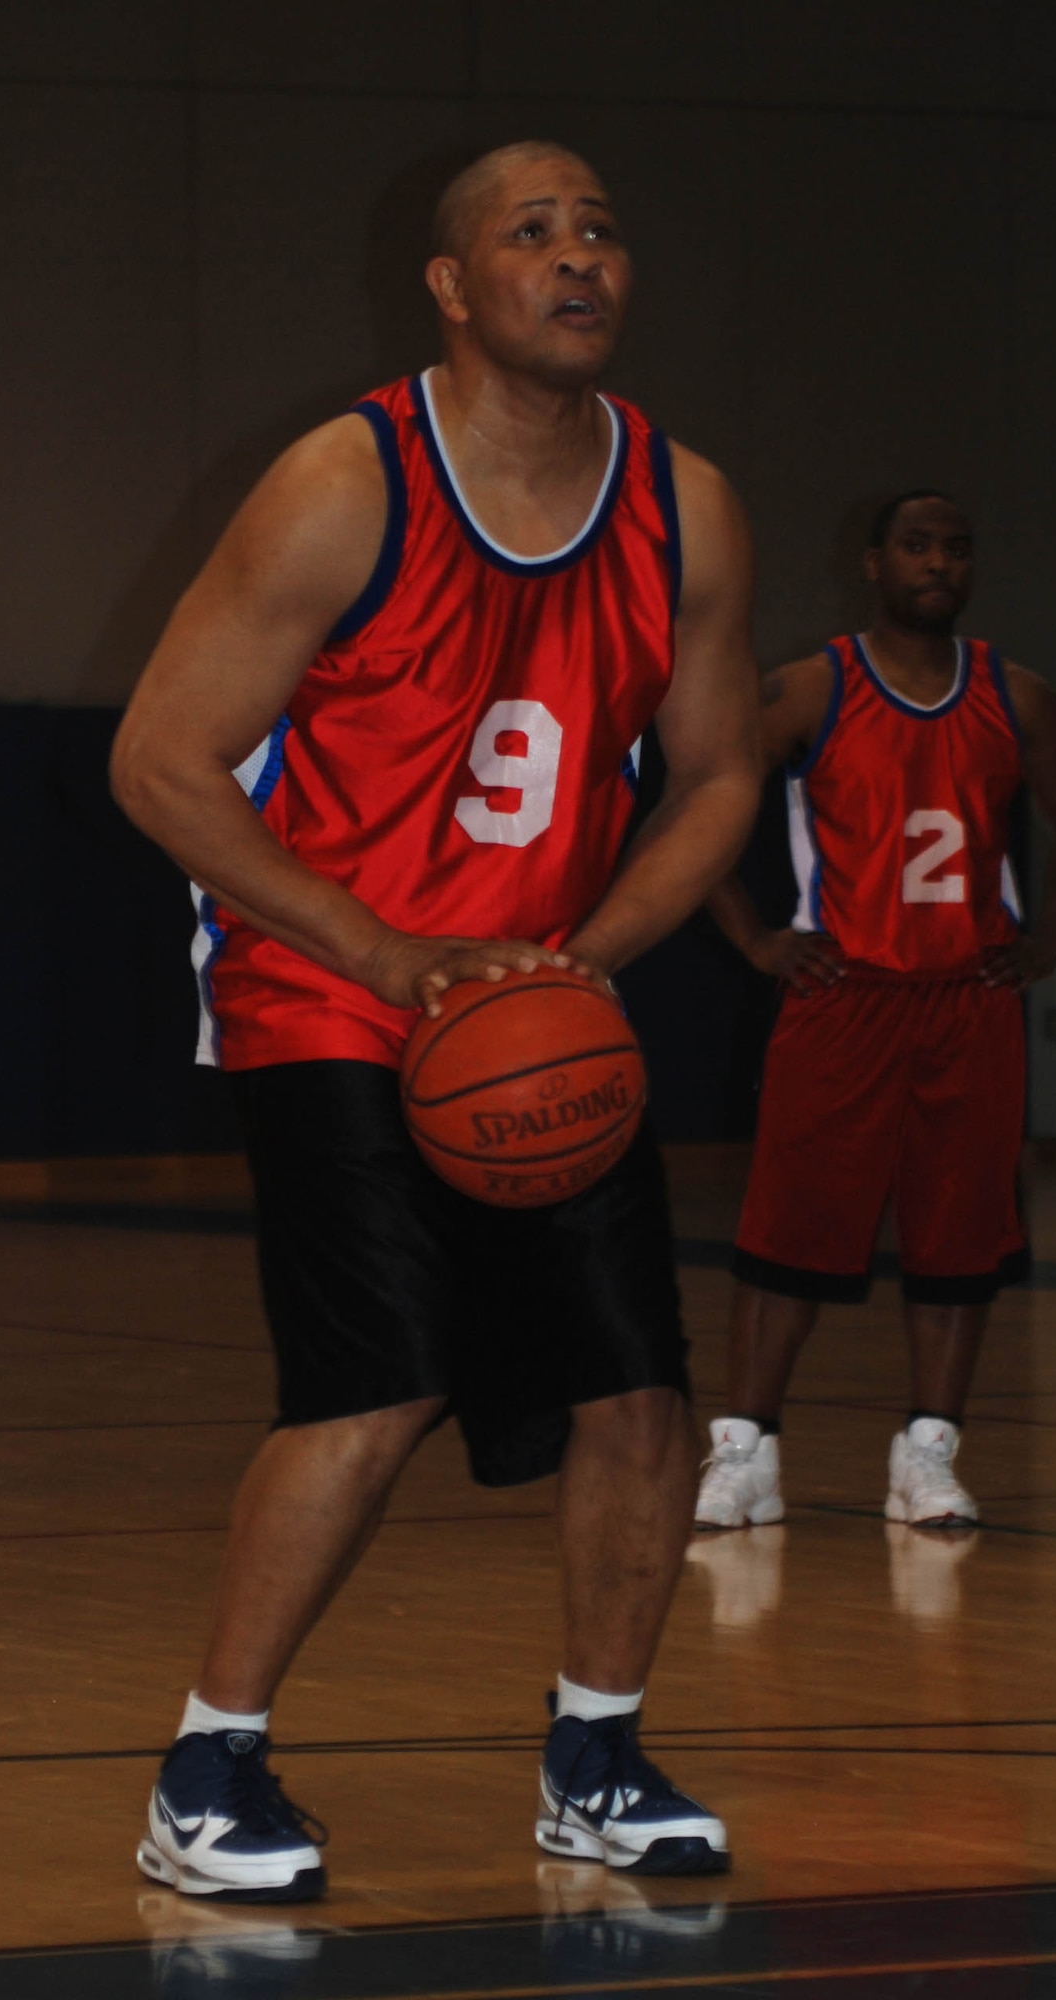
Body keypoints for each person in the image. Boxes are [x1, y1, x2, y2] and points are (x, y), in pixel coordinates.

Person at [111, 140, 761, 1900]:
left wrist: (586, 956)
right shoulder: (342, 483)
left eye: (602, 230)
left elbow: (715, 776)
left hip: (530, 1010)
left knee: (639, 1396)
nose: (577, 259)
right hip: (325, 985)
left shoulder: (682, 502)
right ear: (453, 286)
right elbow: (160, 762)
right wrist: (385, 950)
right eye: (530, 234)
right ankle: (207, 1768)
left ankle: (595, 1757)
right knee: (374, 1384)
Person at [694, 491, 1056, 1534]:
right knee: (786, 1233)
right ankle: (745, 1453)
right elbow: (694, 797)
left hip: (966, 1000)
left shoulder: (1017, 696)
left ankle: (926, 1454)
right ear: (871, 562)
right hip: (845, 998)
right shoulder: (809, 687)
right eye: (916, 545)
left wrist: (1047, 940)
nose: (938, 562)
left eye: (955, 547)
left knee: (958, 1240)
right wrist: (751, 936)